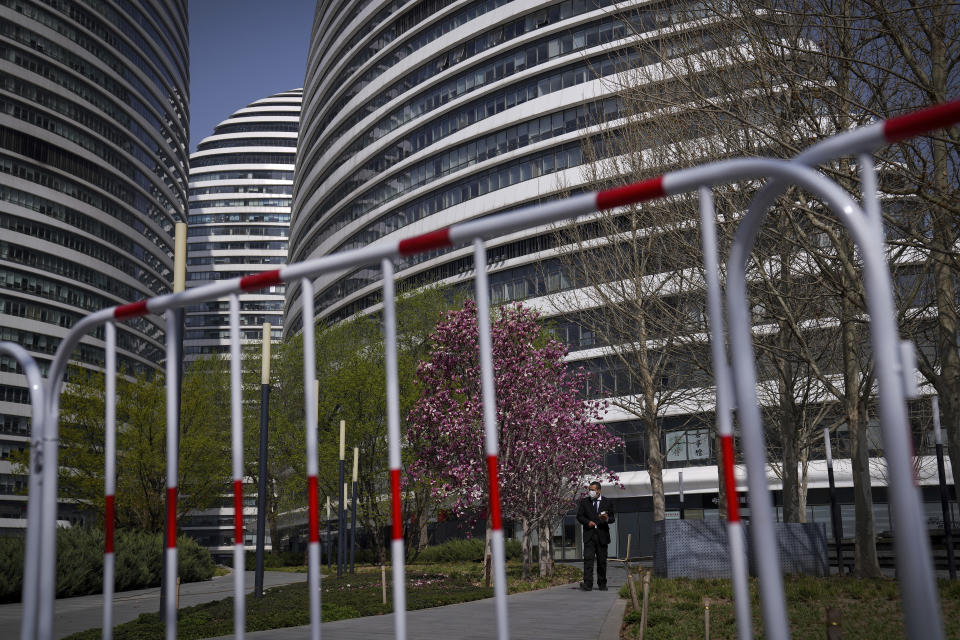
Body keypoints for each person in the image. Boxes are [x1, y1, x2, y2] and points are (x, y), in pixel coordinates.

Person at [576, 481, 615, 591]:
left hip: (602, 536)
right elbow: (579, 516)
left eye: (592, 490)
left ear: (598, 490)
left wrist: (606, 518)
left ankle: (602, 584)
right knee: (588, 560)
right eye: (590, 490)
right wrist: (588, 522)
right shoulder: (585, 502)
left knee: (601, 561)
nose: (590, 492)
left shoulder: (607, 502)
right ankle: (588, 584)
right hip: (589, 536)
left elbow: (612, 518)